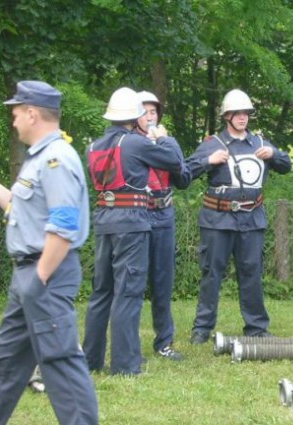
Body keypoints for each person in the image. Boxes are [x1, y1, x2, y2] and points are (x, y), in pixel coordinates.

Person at [0, 80, 99, 424]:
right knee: (7, 361)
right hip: (30, 274)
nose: (13, 122)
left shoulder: (56, 159)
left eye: (15, 114)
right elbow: (23, 209)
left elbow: (64, 226)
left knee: (59, 360)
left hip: (45, 273)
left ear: (31, 114)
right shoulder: (39, 159)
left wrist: (39, 277)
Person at [82, 87, 186, 375]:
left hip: (104, 220)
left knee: (102, 291)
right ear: (134, 116)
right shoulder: (134, 143)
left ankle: (91, 359)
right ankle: (125, 364)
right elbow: (175, 162)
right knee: (129, 292)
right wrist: (164, 137)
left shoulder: (92, 147)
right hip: (132, 221)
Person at [185, 89, 291, 344]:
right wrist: (209, 161)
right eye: (237, 113)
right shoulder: (212, 144)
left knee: (251, 272)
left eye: (246, 113)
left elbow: (286, 166)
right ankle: (202, 328)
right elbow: (185, 172)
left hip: (251, 218)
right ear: (227, 116)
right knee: (212, 272)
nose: (243, 117)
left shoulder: (260, 143)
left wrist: (274, 155)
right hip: (217, 220)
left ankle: (256, 327)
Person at [135, 90, 190, 361]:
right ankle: (128, 342)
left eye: (153, 111)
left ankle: (164, 341)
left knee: (163, 281)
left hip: (164, 214)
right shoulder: (131, 142)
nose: (150, 116)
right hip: (139, 214)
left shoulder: (167, 142)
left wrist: (166, 141)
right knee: (133, 280)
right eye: (144, 111)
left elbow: (184, 177)